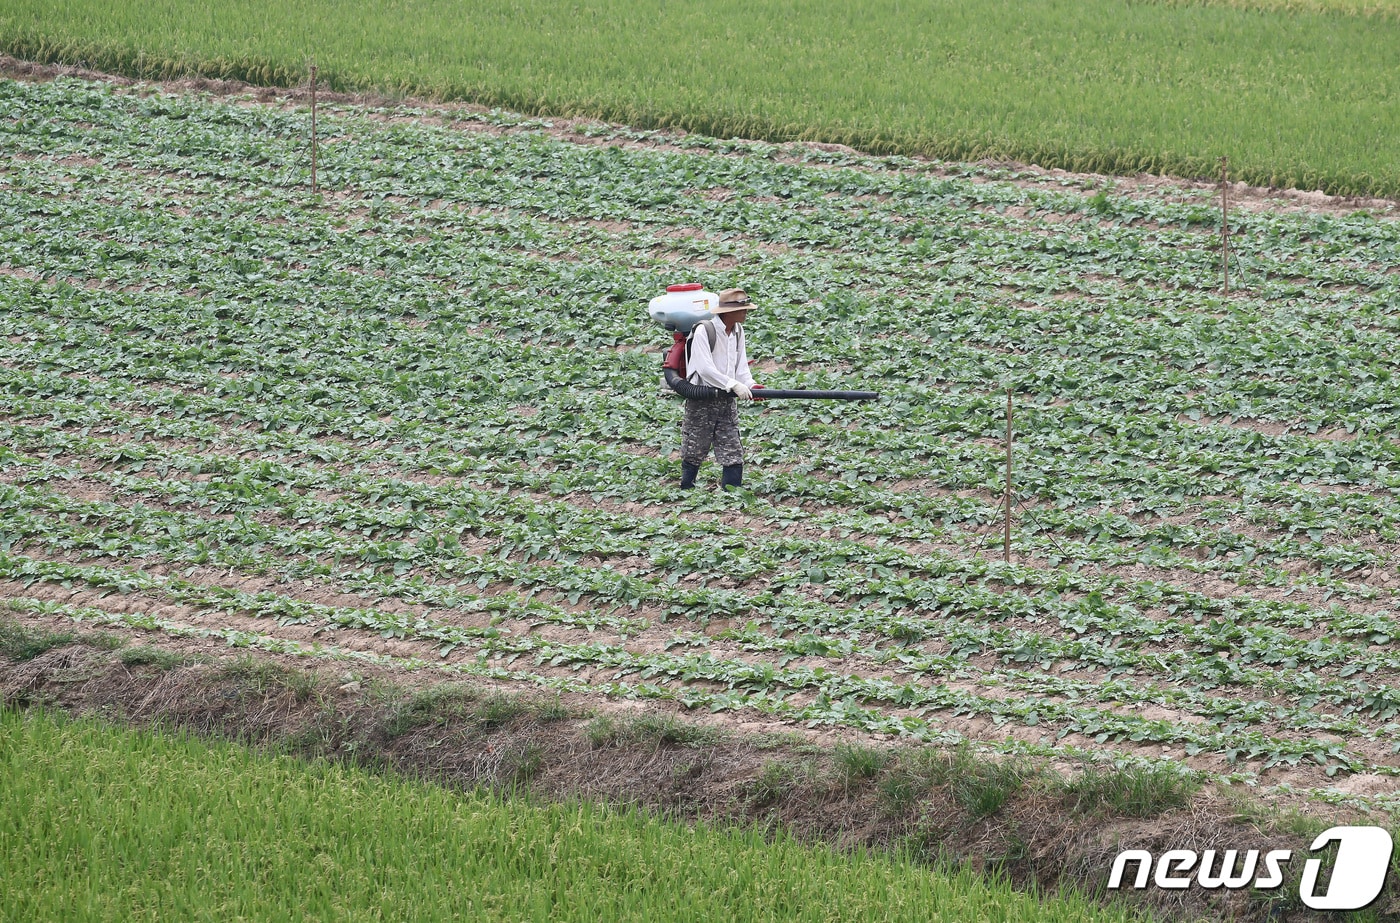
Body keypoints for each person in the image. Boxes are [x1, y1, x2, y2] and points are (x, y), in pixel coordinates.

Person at [679, 288, 760, 490]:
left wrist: (750, 384)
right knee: (695, 446)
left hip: (727, 399)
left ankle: (732, 493)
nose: (746, 313)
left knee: (732, 447)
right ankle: (687, 489)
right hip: (702, 397)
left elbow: (741, 366)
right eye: (743, 309)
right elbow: (704, 368)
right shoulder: (704, 331)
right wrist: (732, 384)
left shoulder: (737, 332)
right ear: (728, 312)